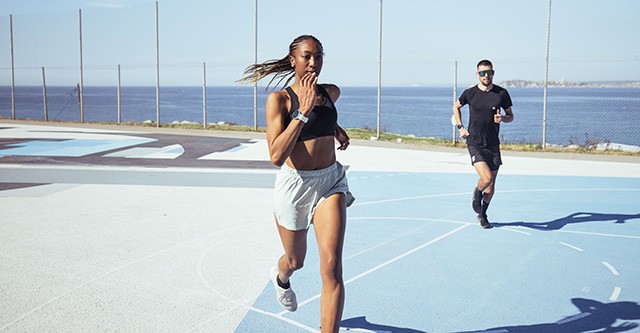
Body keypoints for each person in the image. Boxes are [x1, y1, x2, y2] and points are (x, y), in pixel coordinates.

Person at [239, 35, 351, 333]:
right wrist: (302, 111)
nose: (314, 62)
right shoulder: (279, 100)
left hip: (330, 182)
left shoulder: (330, 92)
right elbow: (276, 155)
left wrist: (335, 128)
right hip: (295, 186)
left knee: (331, 265)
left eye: (318, 56)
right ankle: (281, 277)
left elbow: (324, 116)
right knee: (295, 260)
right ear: (293, 60)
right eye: (306, 57)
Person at [452, 59, 514, 229]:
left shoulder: (501, 94)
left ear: (493, 73)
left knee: (492, 185)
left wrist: (503, 118)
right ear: (477, 74)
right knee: (485, 179)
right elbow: (456, 107)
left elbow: (511, 116)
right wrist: (461, 127)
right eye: (483, 73)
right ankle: (477, 192)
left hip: (493, 145)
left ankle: (483, 214)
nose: (486, 76)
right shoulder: (470, 93)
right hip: (475, 143)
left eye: (489, 73)